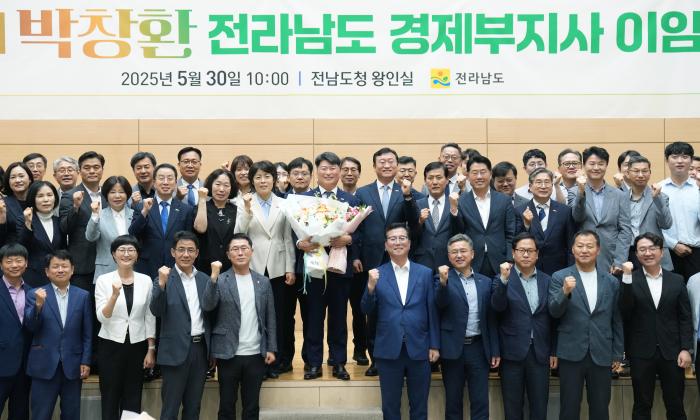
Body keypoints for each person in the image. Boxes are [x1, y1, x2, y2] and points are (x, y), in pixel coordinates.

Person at [361, 223, 439, 420]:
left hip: (419, 348)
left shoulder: (425, 273)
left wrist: (434, 345)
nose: (397, 242)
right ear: (386, 245)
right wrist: (370, 287)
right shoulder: (376, 274)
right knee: (390, 408)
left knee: (419, 408)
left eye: (402, 238)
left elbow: (431, 311)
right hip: (388, 349)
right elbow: (365, 309)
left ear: (409, 243)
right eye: (392, 239)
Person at [355, 147, 420, 376]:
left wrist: (408, 196)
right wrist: (355, 256)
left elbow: (414, 223)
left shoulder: (409, 191)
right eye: (381, 162)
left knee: (399, 308)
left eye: (390, 161)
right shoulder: (363, 193)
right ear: (374, 166)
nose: (386, 165)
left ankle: (403, 356)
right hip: (370, 260)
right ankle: (376, 359)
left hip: (400, 259)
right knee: (373, 312)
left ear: (397, 165)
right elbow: (356, 228)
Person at [548, 230, 624, 420]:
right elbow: (554, 312)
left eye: (589, 246)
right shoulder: (559, 277)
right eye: (580, 246)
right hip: (570, 352)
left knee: (600, 409)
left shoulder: (611, 281)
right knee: (569, 408)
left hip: (602, 352)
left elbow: (616, 319)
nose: (584, 250)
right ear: (573, 249)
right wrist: (564, 292)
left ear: (598, 250)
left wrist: (617, 353)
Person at [201, 234, 277, 420]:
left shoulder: (263, 282)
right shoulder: (220, 280)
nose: (240, 253)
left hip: (256, 354)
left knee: (251, 408)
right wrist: (213, 278)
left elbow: (270, 317)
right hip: (228, 354)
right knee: (226, 407)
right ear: (228, 254)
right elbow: (207, 306)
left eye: (244, 248)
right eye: (235, 249)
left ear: (251, 251)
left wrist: (271, 348)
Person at [619, 232, 693, 420]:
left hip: (673, 352)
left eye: (652, 248)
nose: (647, 253)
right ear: (636, 254)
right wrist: (626, 278)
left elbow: (685, 318)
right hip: (641, 353)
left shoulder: (677, 280)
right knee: (642, 406)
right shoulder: (629, 279)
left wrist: (686, 349)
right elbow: (624, 312)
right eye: (642, 249)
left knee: (676, 405)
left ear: (661, 252)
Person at [298, 152, 358, 380]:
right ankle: (314, 363)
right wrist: (300, 243)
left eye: (333, 168)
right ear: (317, 172)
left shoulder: (350, 199)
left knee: (339, 318)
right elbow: (294, 231)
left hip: (339, 269)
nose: (329, 172)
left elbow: (361, 234)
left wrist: (348, 239)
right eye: (324, 168)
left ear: (339, 171)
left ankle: (339, 362)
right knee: (313, 318)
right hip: (313, 267)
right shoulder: (305, 199)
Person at [234, 160, 295, 378]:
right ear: (252, 180)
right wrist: (247, 211)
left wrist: (290, 267)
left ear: (274, 179)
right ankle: (258, 361)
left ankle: (276, 361)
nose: (263, 181)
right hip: (254, 265)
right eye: (258, 177)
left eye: (267, 176)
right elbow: (238, 234)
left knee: (278, 315)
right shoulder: (243, 202)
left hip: (278, 266)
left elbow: (287, 238)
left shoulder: (284, 203)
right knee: (256, 315)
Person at [491, 233, 556, 420]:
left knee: (539, 408)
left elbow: (553, 319)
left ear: (537, 254)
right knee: (512, 409)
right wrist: (503, 281)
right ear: (513, 253)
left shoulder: (547, 280)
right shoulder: (501, 279)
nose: (526, 254)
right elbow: (497, 307)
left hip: (540, 353)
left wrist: (554, 350)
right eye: (521, 250)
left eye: (530, 251)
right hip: (512, 353)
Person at [149, 231, 212, 420]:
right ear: (173, 252)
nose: (186, 254)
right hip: (174, 352)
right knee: (170, 409)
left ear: (197, 253)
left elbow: (210, 314)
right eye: (181, 249)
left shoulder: (205, 279)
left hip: (200, 351)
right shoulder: (163, 278)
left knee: (193, 408)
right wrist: (161, 284)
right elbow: (156, 310)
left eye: (190, 250)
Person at [437, 233, 499, 420]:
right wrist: (443, 283)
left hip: (478, 348)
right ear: (448, 256)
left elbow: (491, 319)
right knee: (453, 403)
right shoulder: (441, 279)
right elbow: (439, 304)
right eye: (454, 252)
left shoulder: (485, 282)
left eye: (463, 251)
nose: (459, 255)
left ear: (472, 254)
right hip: (452, 349)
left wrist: (495, 350)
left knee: (480, 402)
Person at [25, 250, 92, 420]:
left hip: (73, 365)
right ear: (47, 271)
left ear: (72, 269)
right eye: (55, 266)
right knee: (41, 415)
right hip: (44, 364)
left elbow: (87, 332)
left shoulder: (83, 296)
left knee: (71, 414)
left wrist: (85, 360)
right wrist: (38, 306)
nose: (60, 270)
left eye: (64, 266)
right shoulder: (35, 294)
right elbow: (30, 327)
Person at [94, 235, 156, 420]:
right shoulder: (104, 280)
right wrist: (114, 296)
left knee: (133, 397)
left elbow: (149, 316)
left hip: (137, 346)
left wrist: (151, 349)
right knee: (110, 398)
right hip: (110, 345)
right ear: (114, 254)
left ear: (137, 255)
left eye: (131, 250)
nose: (126, 254)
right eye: (121, 250)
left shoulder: (146, 280)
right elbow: (102, 317)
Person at [450, 155, 515, 278]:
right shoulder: (461, 201)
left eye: (483, 172)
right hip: (471, 261)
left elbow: (510, 233)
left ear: (490, 174)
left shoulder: (504, 200)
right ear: (468, 176)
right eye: (475, 173)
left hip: (500, 261)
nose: (479, 176)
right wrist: (454, 211)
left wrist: (509, 259)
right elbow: (458, 232)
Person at [572, 146, 633, 275]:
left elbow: (625, 230)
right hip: (581, 253)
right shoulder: (574, 192)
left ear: (606, 166)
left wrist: (619, 261)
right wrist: (581, 192)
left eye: (601, 164)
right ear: (584, 166)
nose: (596, 168)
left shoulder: (619, 195)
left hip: (609, 255)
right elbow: (577, 217)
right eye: (592, 163)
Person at [129, 163, 194, 279]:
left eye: (170, 178)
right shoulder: (141, 206)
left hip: (176, 266)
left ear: (175, 183)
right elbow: (133, 233)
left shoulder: (186, 209)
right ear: (154, 182)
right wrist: (145, 212)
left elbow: (189, 239)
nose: (165, 182)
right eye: (161, 178)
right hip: (147, 267)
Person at [59, 150, 107, 292]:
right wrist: (76, 207)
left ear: (102, 170)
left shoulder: (109, 194)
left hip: (108, 262)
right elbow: (64, 228)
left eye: (96, 167)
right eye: (87, 168)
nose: (92, 171)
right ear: (79, 171)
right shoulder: (69, 196)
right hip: (83, 265)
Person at [515, 168, 575, 275]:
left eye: (547, 182)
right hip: (529, 269)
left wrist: (570, 270)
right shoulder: (520, 210)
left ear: (552, 186)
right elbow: (515, 242)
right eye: (539, 182)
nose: (543, 186)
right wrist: (526, 225)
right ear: (530, 187)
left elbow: (571, 244)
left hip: (559, 270)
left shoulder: (565, 211)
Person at [339, 156, 368, 365]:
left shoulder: (364, 198)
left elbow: (363, 231)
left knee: (359, 310)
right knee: (338, 311)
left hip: (359, 265)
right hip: (335, 263)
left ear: (359, 173)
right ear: (339, 172)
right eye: (345, 169)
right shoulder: (333, 198)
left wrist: (356, 255)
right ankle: (337, 353)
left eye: (353, 169)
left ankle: (360, 349)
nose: (349, 173)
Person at [0, 243, 32, 420]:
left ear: (26, 263)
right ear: (1, 264)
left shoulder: (33, 292)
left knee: (20, 414)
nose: (14, 265)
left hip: (24, 366)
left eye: (19, 260)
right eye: (9, 261)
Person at [625, 155, 673, 270]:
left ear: (650, 173)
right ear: (628, 173)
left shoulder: (661, 197)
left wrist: (657, 199)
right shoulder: (620, 198)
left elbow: (666, 224)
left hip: (653, 252)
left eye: (645, 171)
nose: (641, 175)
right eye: (636, 171)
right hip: (628, 253)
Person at [660, 141, 700, 281]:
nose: (680, 161)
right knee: (671, 292)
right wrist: (673, 244)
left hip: (696, 252)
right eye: (675, 156)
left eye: (685, 157)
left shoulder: (698, 188)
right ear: (667, 160)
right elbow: (654, 224)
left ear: (691, 160)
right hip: (667, 252)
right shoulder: (659, 189)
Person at [86, 176, 135, 281]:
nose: (117, 196)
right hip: (106, 271)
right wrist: (94, 215)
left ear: (127, 194)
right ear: (106, 195)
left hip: (132, 270)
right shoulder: (99, 215)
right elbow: (90, 237)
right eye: (112, 192)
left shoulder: (135, 215)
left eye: (121, 192)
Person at [19, 181, 67, 287]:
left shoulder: (59, 221)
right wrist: (28, 224)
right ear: (33, 199)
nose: (46, 199)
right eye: (40, 196)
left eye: (49, 195)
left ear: (55, 198)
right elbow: (21, 248)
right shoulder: (24, 220)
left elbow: (63, 249)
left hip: (57, 277)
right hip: (33, 277)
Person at [193, 169, 238, 275]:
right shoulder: (201, 207)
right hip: (205, 266)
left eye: (226, 185)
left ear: (231, 188)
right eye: (217, 184)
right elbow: (201, 228)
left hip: (230, 265)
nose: (221, 189)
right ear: (210, 185)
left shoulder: (236, 210)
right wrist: (202, 199)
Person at [414, 162, 452, 272]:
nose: (434, 182)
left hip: (448, 261)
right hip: (422, 261)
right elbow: (410, 234)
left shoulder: (454, 204)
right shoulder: (416, 205)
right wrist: (420, 222)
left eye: (439, 178)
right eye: (430, 178)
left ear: (447, 180)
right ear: (425, 181)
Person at [2, 162, 34, 244]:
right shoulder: (2, 204)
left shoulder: (38, 201)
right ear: (8, 182)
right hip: (12, 249)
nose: (17, 180)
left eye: (21, 176)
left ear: (30, 179)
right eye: (13, 177)